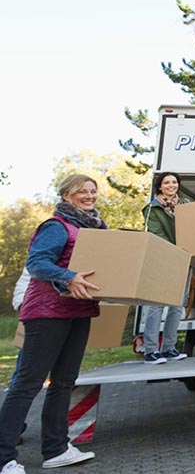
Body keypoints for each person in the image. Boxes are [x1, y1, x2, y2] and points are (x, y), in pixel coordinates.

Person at [0, 174, 106, 474]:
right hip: (46, 312)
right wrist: (68, 276)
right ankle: (4, 457)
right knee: (27, 384)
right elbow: (37, 263)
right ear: (66, 196)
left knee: (64, 382)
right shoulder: (56, 226)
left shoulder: (93, 229)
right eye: (81, 191)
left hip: (78, 310)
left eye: (92, 191)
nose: (89, 196)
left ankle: (56, 449)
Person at [141, 172, 189, 364]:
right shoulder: (152, 209)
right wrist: (176, 252)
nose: (171, 185)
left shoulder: (185, 204)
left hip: (184, 258)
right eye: (167, 182)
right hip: (164, 258)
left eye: (174, 182)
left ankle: (169, 348)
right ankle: (151, 350)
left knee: (177, 306)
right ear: (159, 186)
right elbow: (157, 235)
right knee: (157, 305)